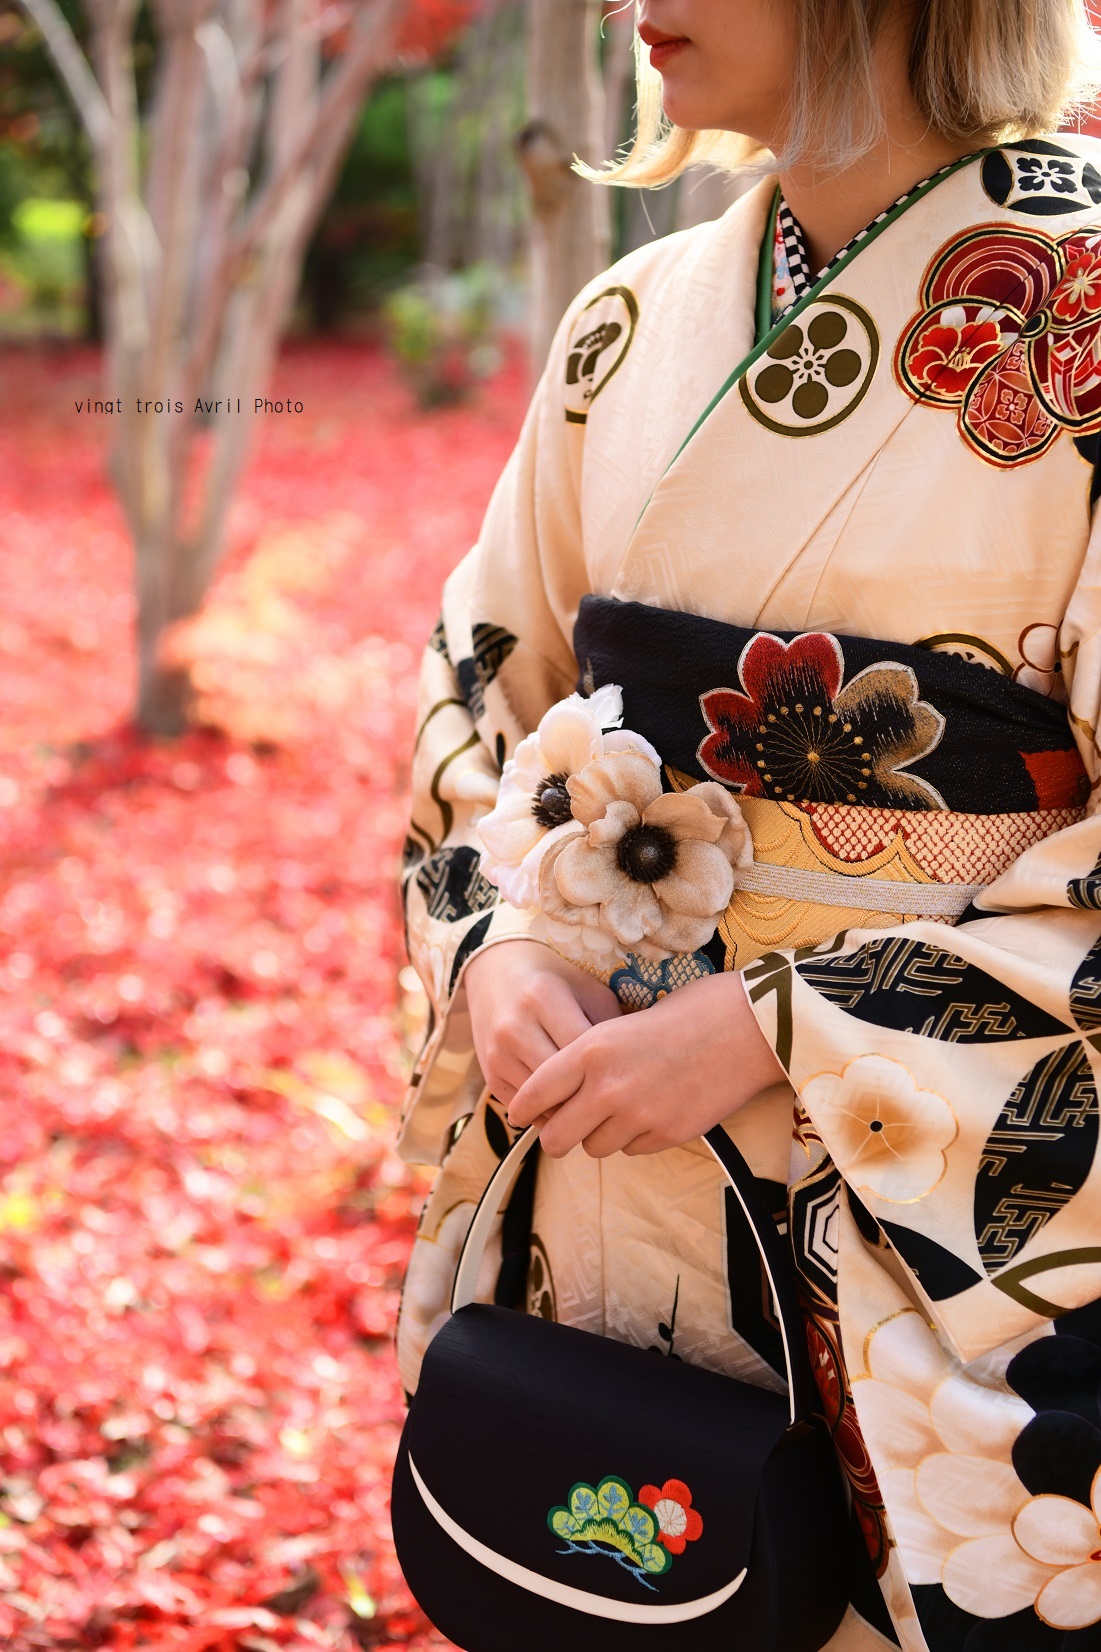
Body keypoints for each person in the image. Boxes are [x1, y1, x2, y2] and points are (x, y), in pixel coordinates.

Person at [394, 2, 1101, 1645]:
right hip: (598, 1150)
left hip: (915, 1194)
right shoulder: (626, 321)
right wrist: (496, 943)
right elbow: (483, 695)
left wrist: (787, 1024)